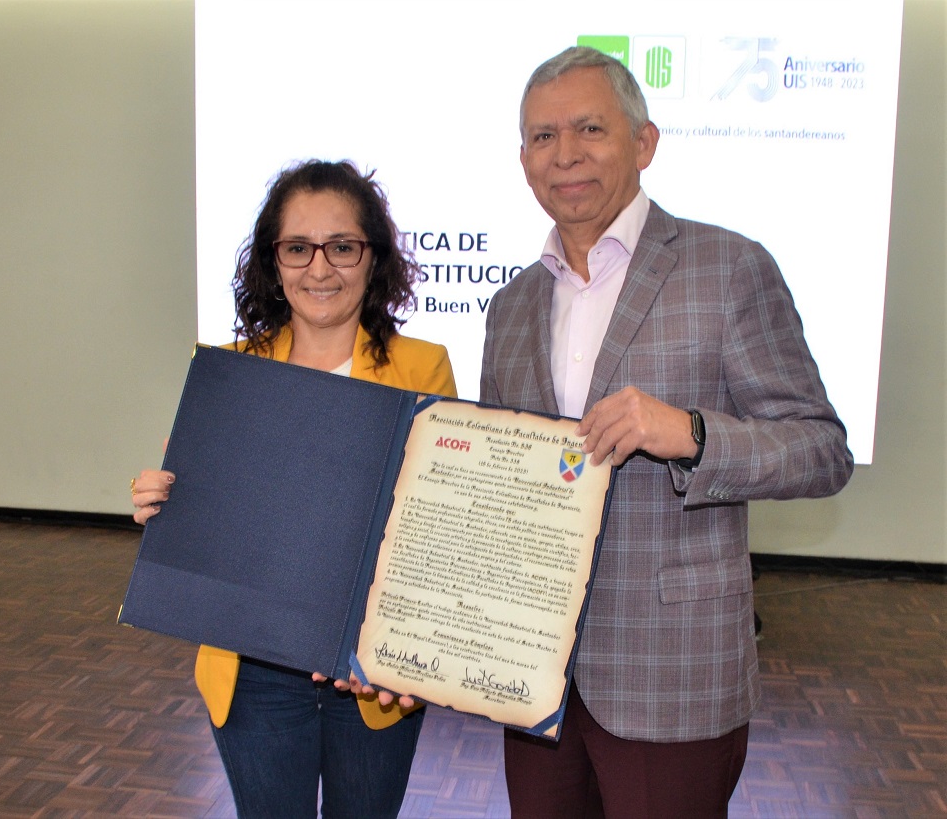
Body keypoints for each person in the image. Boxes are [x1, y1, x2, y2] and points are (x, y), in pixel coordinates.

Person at [480, 47, 854, 818]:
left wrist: (691, 432)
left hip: (671, 674)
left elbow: (822, 449)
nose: (565, 154)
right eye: (543, 136)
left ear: (643, 143)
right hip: (535, 675)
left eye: (590, 128)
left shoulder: (729, 269)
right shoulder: (510, 306)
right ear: (522, 160)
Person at [130, 159, 456, 818]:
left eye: (342, 247)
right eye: (298, 248)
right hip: (253, 673)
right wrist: (164, 502)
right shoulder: (232, 370)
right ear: (274, 262)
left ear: (373, 257)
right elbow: (212, 516)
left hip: (371, 677)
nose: (320, 268)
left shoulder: (423, 367)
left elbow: (439, 529)